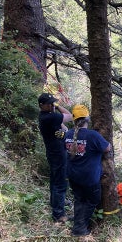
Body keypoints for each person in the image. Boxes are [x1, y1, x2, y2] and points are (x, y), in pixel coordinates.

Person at [64, 104, 111, 237]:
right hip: (89, 178)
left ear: (74, 119)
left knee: (79, 199)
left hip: (73, 176)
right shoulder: (93, 135)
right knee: (92, 200)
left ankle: (78, 224)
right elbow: (107, 148)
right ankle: (79, 227)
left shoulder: (68, 134)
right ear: (87, 119)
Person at [38, 92, 73, 223]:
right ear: (42, 105)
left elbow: (64, 127)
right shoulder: (48, 117)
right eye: (50, 104)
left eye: (53, 103)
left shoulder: (49, 117)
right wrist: (58, 107)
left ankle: (56, 202)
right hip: (57, 154)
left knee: (55, 179)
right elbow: (70, 116)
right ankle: (58, 214)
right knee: (60, 182)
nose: (52, 105)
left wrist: (55, 108)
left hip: (54, 153)